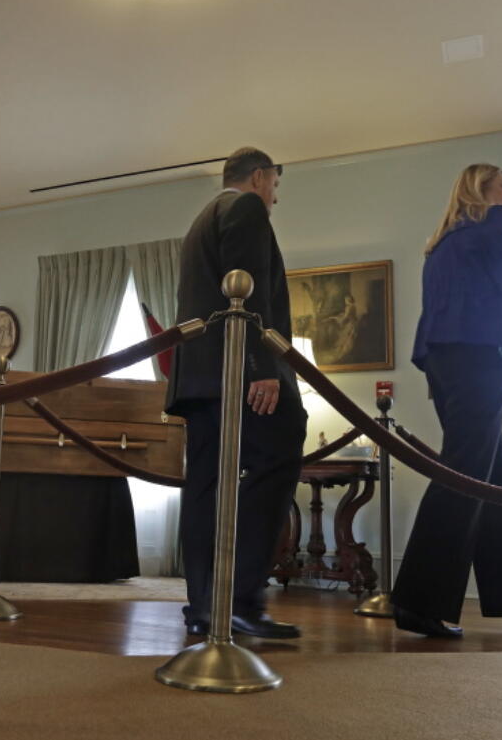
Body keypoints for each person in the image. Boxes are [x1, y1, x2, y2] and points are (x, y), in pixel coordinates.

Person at [391, 163, 502, 638]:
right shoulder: (495, 226)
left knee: (493, 478)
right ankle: (416, 601)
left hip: (446, 363)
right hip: (484, 358)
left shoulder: (442, 244)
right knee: (466, 473)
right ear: (482, 192)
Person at [165, 147, 307, 640]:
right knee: (278, 458)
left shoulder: (203, 217)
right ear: (261, 176)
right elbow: (244, 293)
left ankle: (207, 605)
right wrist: (262, 366)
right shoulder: (244, 208)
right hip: (241, 372)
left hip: (202, 378)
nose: (275, 197)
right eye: (275, 186)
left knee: (205, 489)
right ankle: (241, 599)